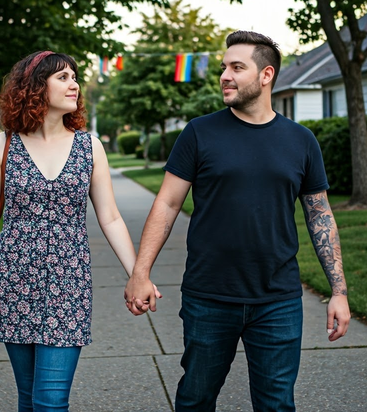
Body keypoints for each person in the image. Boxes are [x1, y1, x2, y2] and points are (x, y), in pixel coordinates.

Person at [124, 31, 351, 412]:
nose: (224, 76)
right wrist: (140, 272)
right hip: (209, 295)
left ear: (266, 75)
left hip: (278, 299)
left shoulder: (301, 140)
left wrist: (339, 291)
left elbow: (320, 215)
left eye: (236, 67)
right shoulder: (200, 132)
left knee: (277, 404)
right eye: (223, 68)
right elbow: (166, 204)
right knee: (195, 399)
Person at [0, 51, 160, 412]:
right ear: (33, 86)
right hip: (13, 282)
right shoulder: (3, 145)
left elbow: (110, 218)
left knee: (51, 401)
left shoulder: (89, 146)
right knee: (28, 400)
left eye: (74, 76)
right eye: (62, 77)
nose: (74, 83)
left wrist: (138, 274)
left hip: (68, 284)